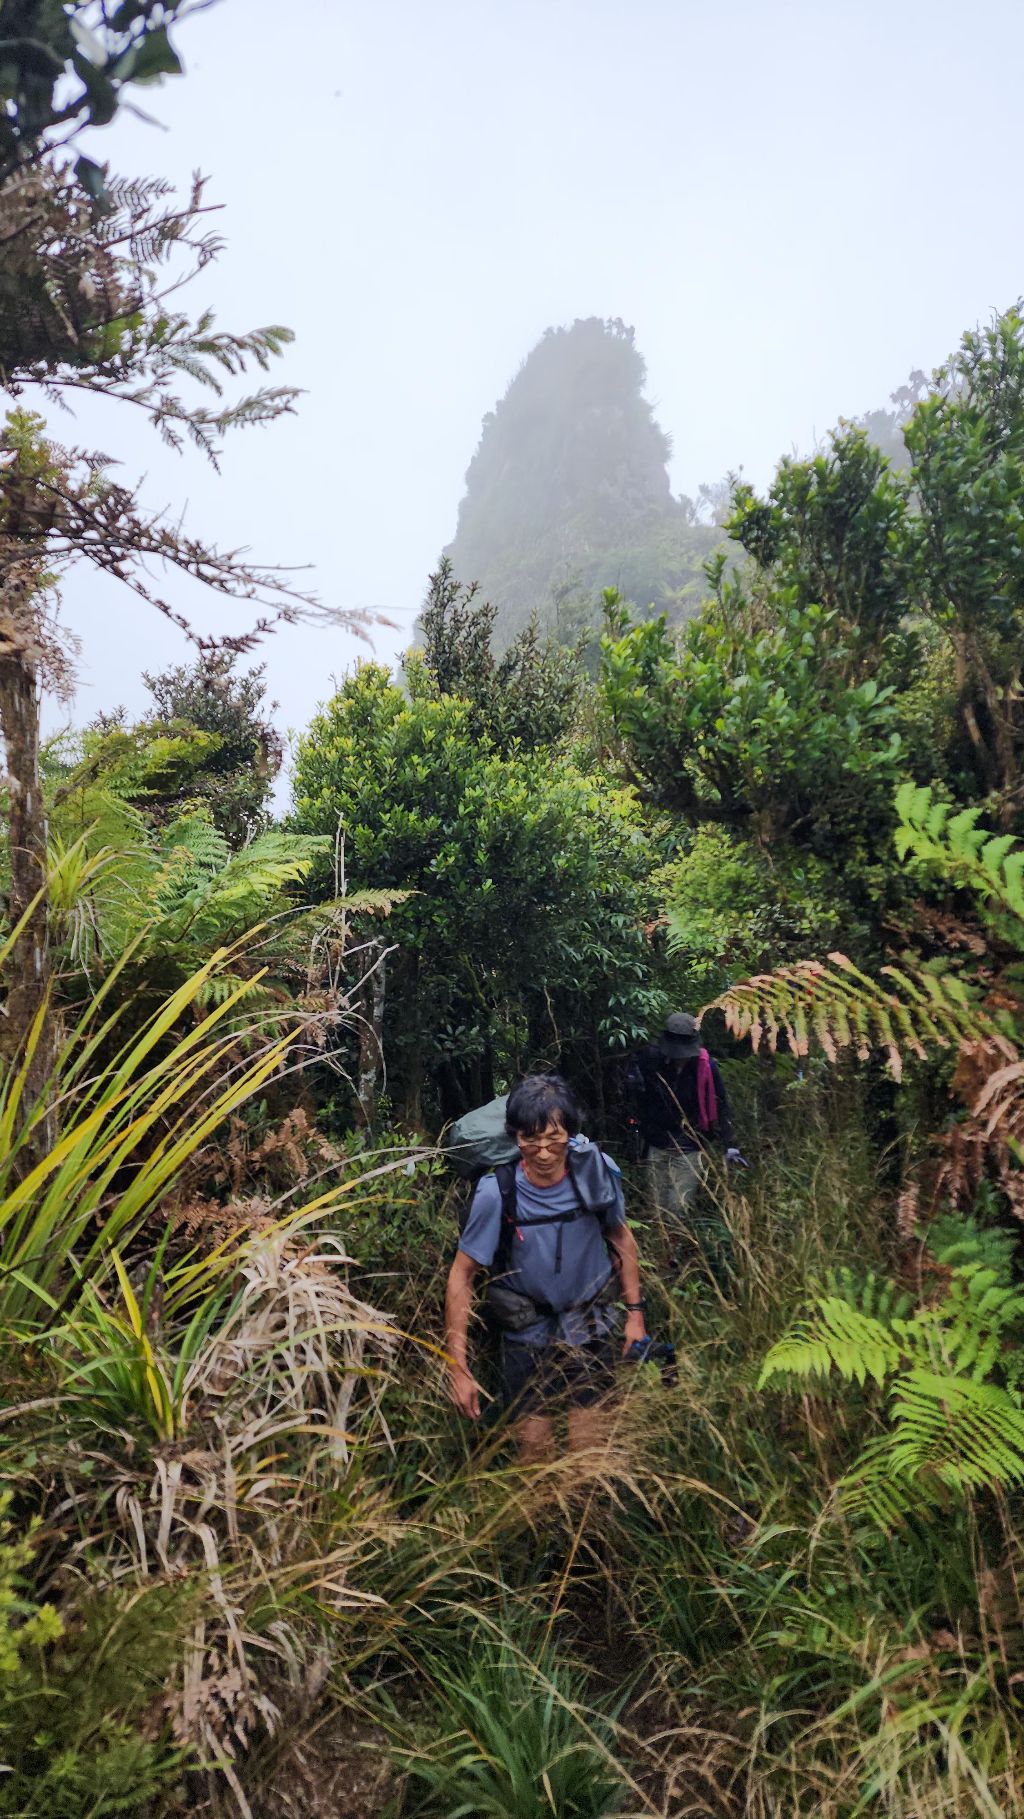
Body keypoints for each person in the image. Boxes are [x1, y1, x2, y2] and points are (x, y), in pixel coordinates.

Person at [445, 1073, 646, 1465]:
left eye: (555, 1139)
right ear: (514, 1136)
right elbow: (462, 1274)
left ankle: (583, 1506)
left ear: (571, 1133)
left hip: (589, 1326)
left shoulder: (596, 1173)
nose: (542, 1152)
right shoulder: (496, 1193)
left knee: (588, 1451)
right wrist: (459, 1368)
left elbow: (622, 1239)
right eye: (529, 1140)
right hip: (526, 1332)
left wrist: (635, 1315)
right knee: (533, 1453)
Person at [627, 1012, 745, 1275]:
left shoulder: (706, 1067)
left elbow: (721, 1105)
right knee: (656, 1207)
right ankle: (660, 1258)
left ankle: (673, 1261)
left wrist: (730, 1144)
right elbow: (638, 1102)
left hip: (690, 1147)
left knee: (678, 1207)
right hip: (657, 1143)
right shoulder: (651, 1062)